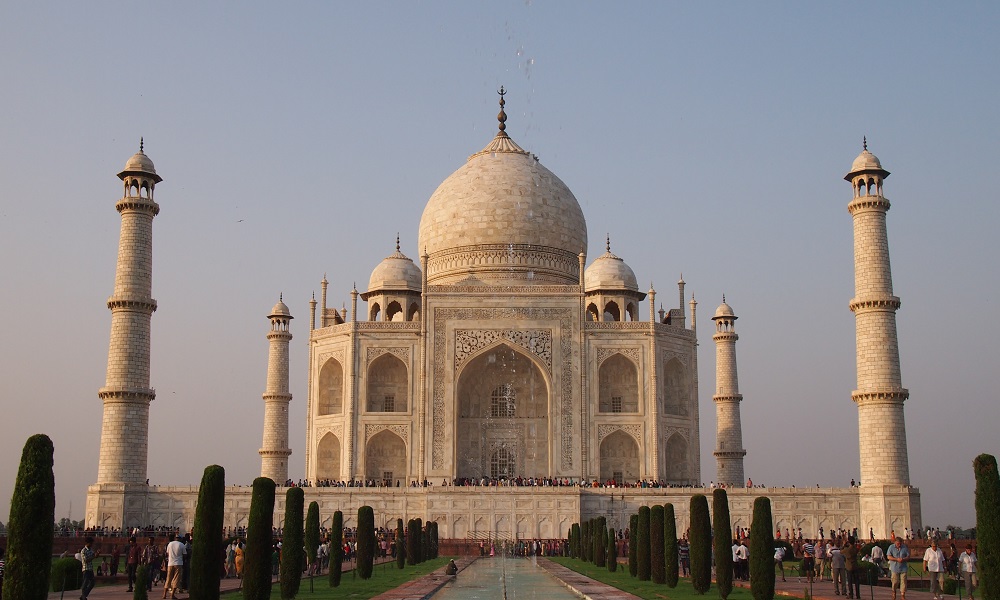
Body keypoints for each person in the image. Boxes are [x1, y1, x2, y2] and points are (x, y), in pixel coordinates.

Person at [163, 532, 184, 600]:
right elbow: (185, 554)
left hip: (170, 563)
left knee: (168, 579)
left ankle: (164, 595)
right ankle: (172, 595)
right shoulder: (181, 544)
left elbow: (167, 553)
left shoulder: (170, 544)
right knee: (176, 579)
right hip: (178, 563)